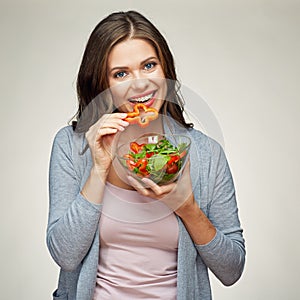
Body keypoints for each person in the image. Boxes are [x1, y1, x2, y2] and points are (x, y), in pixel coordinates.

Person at [47, 10, 245, 300]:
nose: (139, 84)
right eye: (121, 74)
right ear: (103, 84)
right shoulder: (72, 145)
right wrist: (99, 169)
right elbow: (65, 255)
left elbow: (232, 270)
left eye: (149, 65)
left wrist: (187, 207)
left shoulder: (205, 153)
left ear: (165, 69)